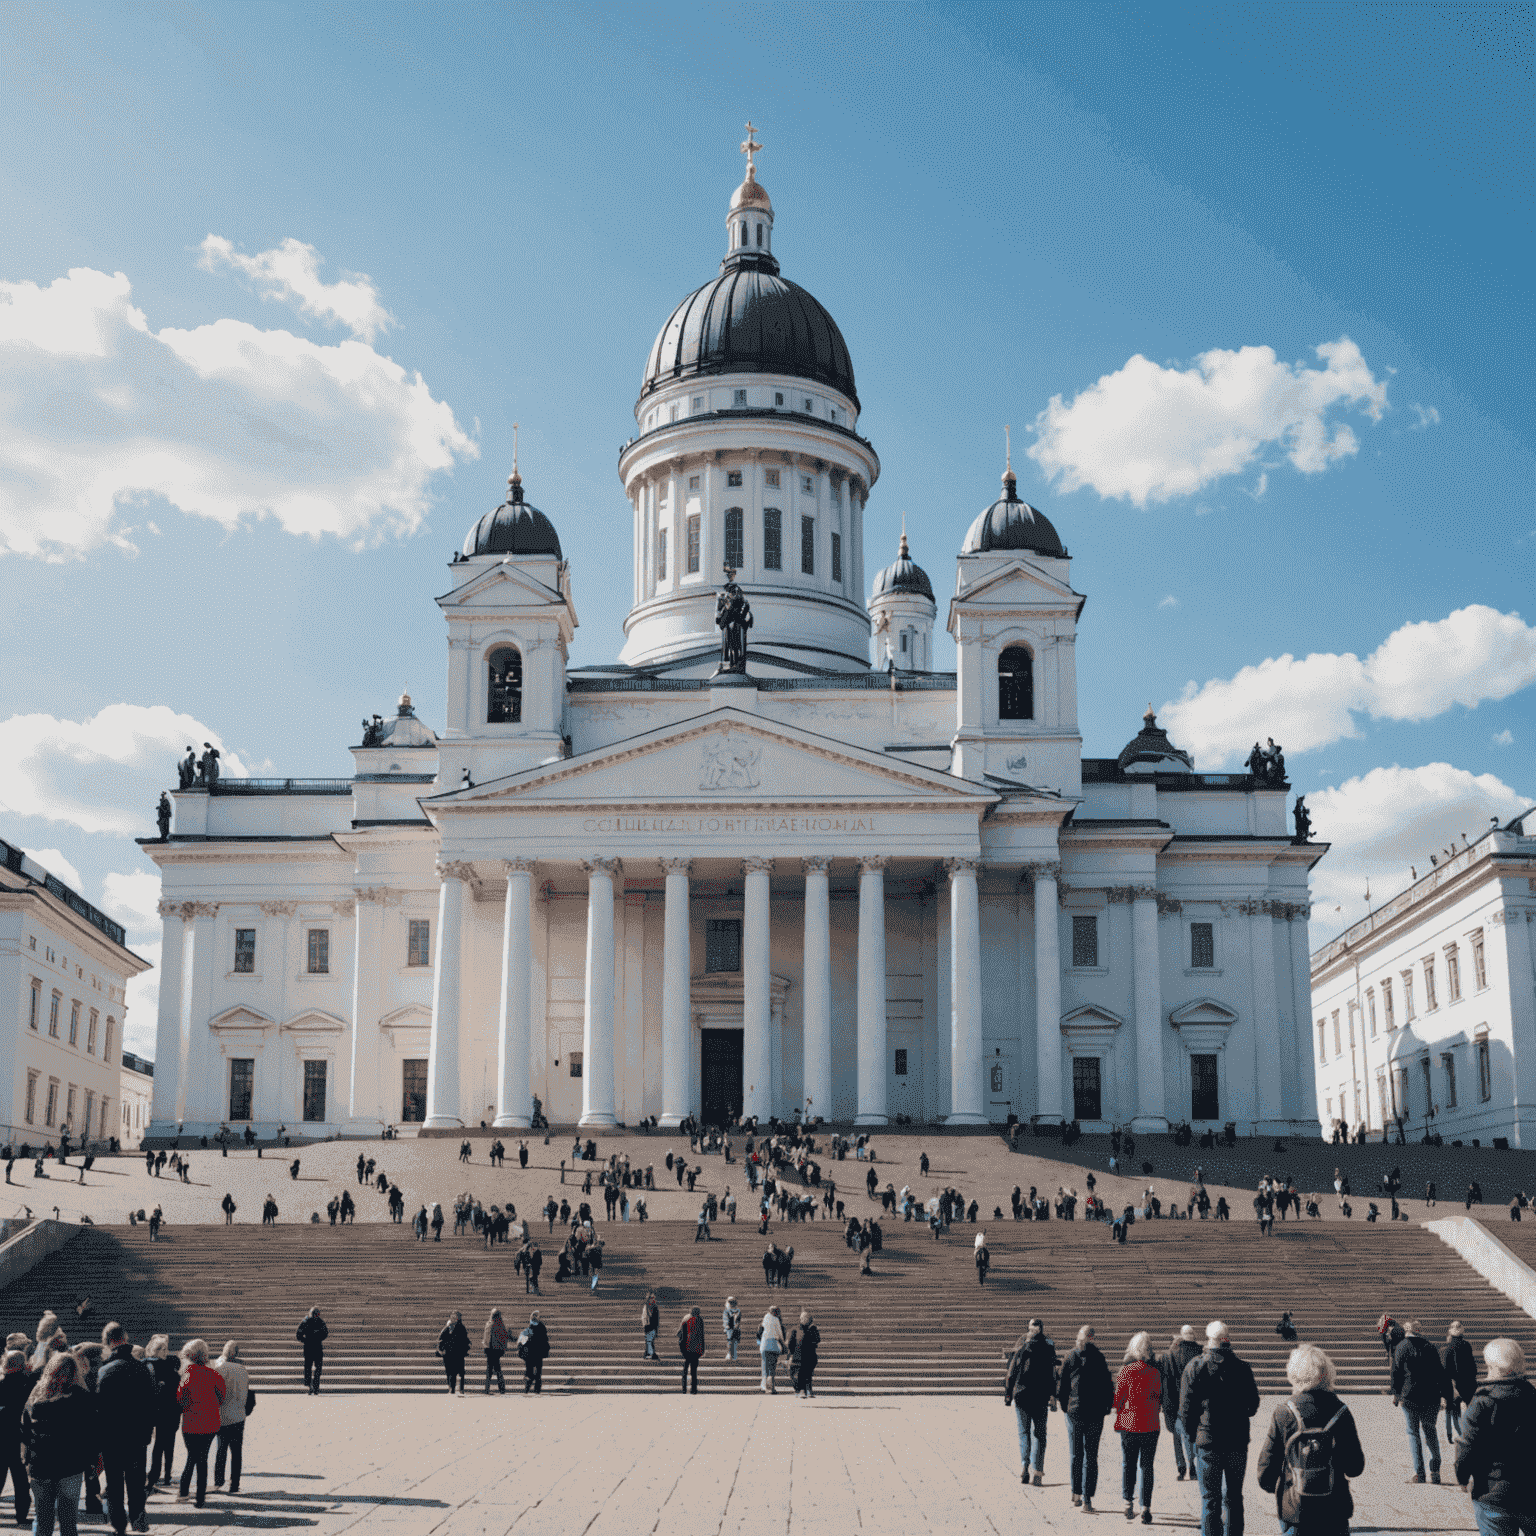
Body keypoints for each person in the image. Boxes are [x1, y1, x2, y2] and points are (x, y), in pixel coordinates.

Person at [1256, 1344, 1364, 1536]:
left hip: (1296, 1510)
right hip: (1334, 1508)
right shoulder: (1341, 1412)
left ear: (1293, 1375)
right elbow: (1355, 1467)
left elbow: (1265, 1475)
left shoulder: (1284, 1412)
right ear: (1326, 1373)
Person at [1180, 1321, 1261, 1536]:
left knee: (1210, 1499)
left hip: (1207, 1440)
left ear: (1208, 1338)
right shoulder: (1243, 1368)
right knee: (1234, 1496)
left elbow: (1186, 1410)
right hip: (1236, 1440)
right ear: (1227, 1338)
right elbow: (1253, 1406)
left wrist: (1192, 1436)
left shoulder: (1195, 1366)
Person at [1455, 1337, 1536, 1536]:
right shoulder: (1532, 1395)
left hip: (1492, 1492)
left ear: (1492, 1366)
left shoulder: (1482, 1401)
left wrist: (1462, 1476)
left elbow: (1467, 1446)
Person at [20, 1351, 97, 1536]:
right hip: (70, 1465)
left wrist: (26, 1457)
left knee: (43, 1520)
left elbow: (24, 1430)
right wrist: (91, 1461)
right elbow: (91, 1434)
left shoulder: (37, 1394)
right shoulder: (82, 1397)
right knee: (68, 1520)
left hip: (41, 1465)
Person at [97, 1322, 155, 1534]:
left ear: (109, 1342)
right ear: (125, 1339)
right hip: (137, 1436)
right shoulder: (143, 1369)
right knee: (136, 1480)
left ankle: (119, 1522)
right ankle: (138, 1517)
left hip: (112, 1437)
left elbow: (99, 1410)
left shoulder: (104, 1371)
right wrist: (147, 1433)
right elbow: (152, 1406)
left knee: (114, 1482)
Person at [1057, 1325, 1114, 1512]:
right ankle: (1088, 1499)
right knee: (1091, 1456)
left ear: (1079, 1338)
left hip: (1075, 1410)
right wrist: (1106, 1407)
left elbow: (1063, 1384)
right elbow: (1107, 1384)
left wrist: (1064, 1405)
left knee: (1076, 1453)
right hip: (1095, 1412)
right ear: (1092, 1337)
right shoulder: (1099, 1357)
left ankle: (1076, 1493)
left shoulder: (1071, 1356)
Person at [1114, 1332, 1162, 1524]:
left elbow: (1118, 1400)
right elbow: (1158, 1397)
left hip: (1129, 1423)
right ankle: (1146, 1507)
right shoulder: (1155, 1372)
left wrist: (1120, 1410)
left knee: (1129, 1463)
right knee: (1147, 1466)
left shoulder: (1126, 1371)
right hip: (1150, 1424)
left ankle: (1127, 1503)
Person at [1392, 1319, 1448, 1483]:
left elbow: (1396, 1373)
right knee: (1430, 1431)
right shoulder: (1430, 1347)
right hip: (1431, 1396)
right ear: (1419, 1331)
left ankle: (1420, 1474)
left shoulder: (1401, 1347)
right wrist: (1444, 1394)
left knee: (1413, 1433)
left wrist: (1396, 1394)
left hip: (1409, 1396)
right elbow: (1440, 1373)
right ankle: (1435, 1471)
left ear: (1406, 1331)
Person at [1005, 1318, 1059, 1487]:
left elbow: (1011, 1371)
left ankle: (1024, 1467)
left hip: (1022, 1394)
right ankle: (1037, 1472)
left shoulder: (1021, 1345)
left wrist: (1008, 1394)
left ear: (1029, 1330)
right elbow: (1053, 1375)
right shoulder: (1049, 1348)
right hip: (1040, 1397)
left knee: (1024, 1432)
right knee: (1040, 1435)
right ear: (1042, 1330)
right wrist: (1053, 1397)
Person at [174, 1339, 224, 1509]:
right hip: (210, 1423)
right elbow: (221, 1397)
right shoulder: (214, 1375)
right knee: (202, 1459)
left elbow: (180, 1399)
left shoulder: (187, 1375)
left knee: (192, 1457)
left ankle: (183, 1491)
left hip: (191, 1423)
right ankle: (200, 1497)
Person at [1161, 1325, 1202, 1481]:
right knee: (1194, 1434)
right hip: (1196, 1401)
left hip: (1176, 1402)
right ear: (1193, 1335)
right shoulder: (1201, 1353)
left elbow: (1166, 1382)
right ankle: (1193, 1465)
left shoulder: (1171, 1355)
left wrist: (1164, 1404)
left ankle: (1181, 1466)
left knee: (1178, 1436)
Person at [211, 1340, 248, 1496]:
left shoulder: (219, 1368)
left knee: (221, 1449)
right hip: (238, 1414)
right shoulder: (242, 1369)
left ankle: (219, 1480)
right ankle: (235, 1483)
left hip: (222, 1414)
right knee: (237, 1451)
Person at [0, 1350, 31, 1528]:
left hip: (2, 1437)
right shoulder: (26, 1383)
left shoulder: (2, 1383)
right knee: (21, 1481)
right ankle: (21, 1515)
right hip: (18, 1438)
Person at [144, 1336, 180, 1488]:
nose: (166, 1352)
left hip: (161, 1410)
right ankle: (155, 1476)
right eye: (162, 1349)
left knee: (161, 1445)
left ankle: (158, 1475)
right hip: (160, 1411)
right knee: (159, 1445)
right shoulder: (156, 1366)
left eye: (166, 1349)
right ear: (156, 1350)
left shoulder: (148, 1365)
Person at [1442, 1322, 1478, 1444]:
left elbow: (1446, 1370)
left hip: (1453, 1384)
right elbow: (1473, 1366)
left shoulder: (1447, 1348)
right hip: (1468, 1383)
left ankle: (1455, 1434)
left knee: (1453, 1411)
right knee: (1470, 1409)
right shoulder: (1467, 1345)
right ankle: (1470, 1432)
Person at [789, 1311, 820, 1399]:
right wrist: (791, 1354)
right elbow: (791, 1343)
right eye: (803, 1318)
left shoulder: (813, 1329)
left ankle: (807, 1390)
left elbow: (817, 1340)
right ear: (800, 1319)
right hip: (798, 1356)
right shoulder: (796, 1329)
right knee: (798, 1374)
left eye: (807, 1318)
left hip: (810, 1355)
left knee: (808, 1373)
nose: (804, 1319)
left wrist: (811, 1331)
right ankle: (802, 1390)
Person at [437, 1312, 470, 1395]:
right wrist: (441, 1349)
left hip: (458, 1353)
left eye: (455, 1317)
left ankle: (461, 1389)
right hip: (449, 1353)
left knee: (461, 1372)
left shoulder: (461, 1327)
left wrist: (465, 1350)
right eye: (452, 1317)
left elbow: (465, 1340)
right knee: (451, 1372)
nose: (453, 1319)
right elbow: (441, 1339)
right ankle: (452, 1388)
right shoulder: (448, 1327)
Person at [296, 1308, 327, 1395]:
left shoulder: (307, 1321)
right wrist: (317, 1339)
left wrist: (306, 1340)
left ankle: (311, 1386)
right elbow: (325, 1334)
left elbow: (298, 1334)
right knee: (314, 1368)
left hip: (310, 1347)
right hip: (315, 1347)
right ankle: (314, 1387)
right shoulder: (318, 1322)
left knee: (310, 1368)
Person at [519, 1313, 549, 1394]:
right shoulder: (542, 1329)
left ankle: (528, 1387)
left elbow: (522, 1342)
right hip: (538, 1354)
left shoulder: (528, 1330)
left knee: (530, 1371)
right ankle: (537, 1389)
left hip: (530, 1354)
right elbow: (545, 1341)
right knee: (538, 1371)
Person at [678, 1307, 705, 1395]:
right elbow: (701, 1335)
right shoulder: (700, 1320)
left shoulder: (686, 1318)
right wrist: (702, 1349)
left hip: (686, 1348)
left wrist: (681, 1346)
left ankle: (684, 1389)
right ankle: (693, 1389)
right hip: (696, 1349)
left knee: (685, 1369)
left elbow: (680, 1333)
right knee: (694, 1370)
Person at [759, 1305, 786, 1394]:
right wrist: (783, 1344)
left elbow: (759, 1332)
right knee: (772, 1369)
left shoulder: (764, 1320)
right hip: (773, 1346)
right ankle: (771, 1388)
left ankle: (765, 1387)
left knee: (765, 1368)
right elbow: (780, 1334)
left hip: (764, 1346)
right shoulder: (776, 1320)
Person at [483, 1310, 508, 1394]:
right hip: (496, 1350)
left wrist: (485, 1347)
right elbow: (504, 1336)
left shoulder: (489, 1324)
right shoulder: (500, 1324)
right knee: (497, 1370)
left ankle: (487, 1389)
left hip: (490, 1350)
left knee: (490, 1370)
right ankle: (501, 1389)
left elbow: (486, 1338)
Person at [721, 1297, 741, 1365]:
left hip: (731, 1329)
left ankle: (731, 1354)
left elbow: (726, 1320)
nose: (725, 1304)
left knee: (731, 1341)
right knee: (732, 1342)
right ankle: (732, 1355)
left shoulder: (728, 1311)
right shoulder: (737, 1311)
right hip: (734, 1328)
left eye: (727, 1303)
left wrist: (726, 1326)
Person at [642, 1294, 660, 1361]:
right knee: (649, 1340)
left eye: (654, 1298)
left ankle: (650, 1353)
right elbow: (644, 1317)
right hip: (648, 1326)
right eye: (652, 1298)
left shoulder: (654, 1307)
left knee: (650, 1340)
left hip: (652, 1326)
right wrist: (645, 1325)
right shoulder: (647, 1307)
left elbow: (656, 1318)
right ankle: (650, 1353)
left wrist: (656, 1328)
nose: (654, 1299)